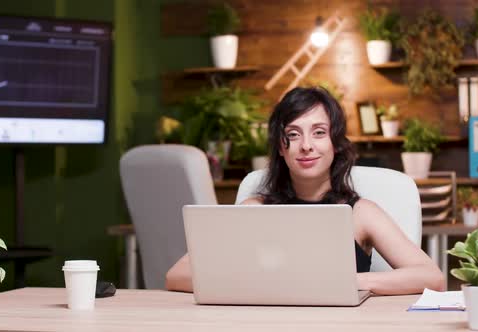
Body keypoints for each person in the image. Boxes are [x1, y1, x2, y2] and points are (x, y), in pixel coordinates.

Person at [166, 87, 445, 295]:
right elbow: (176, 275)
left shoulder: (360, 213)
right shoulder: (255, 210)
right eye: (294, 134)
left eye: (319, 132)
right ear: (280, 147)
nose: (306, 145)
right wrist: (261, 280)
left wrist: (349, 282)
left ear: (335, 143)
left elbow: (432, 278)